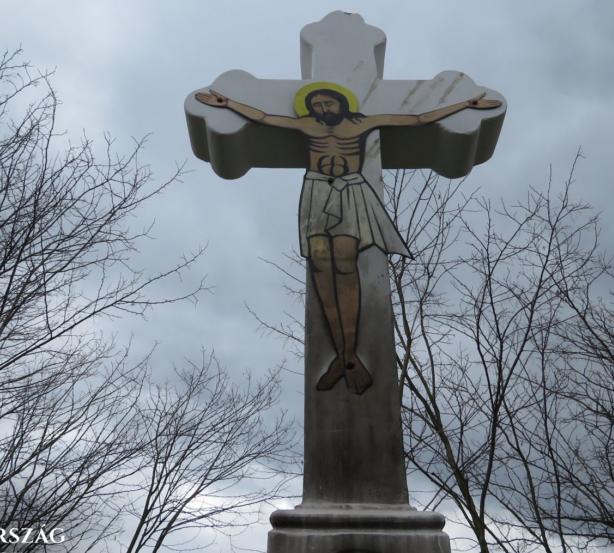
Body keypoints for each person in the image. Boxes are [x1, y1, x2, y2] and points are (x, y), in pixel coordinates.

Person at [196, 86, 501, 394]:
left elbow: (418, 118)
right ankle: (345, 357)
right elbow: (263, 117)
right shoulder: (306, 125)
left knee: (344, 263)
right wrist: (229, 103)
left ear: (341, 103)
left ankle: (346, 356)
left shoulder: (362, 123)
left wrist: (464, 104)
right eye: (316, 103)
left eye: (327, 101)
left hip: (351, 190)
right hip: (316, 190)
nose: (322, 107)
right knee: (320, 266)